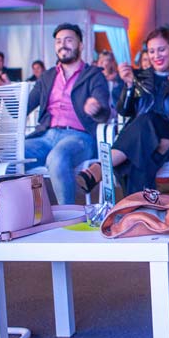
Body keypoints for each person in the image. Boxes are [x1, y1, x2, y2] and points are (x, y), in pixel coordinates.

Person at [75, 28, 169, 194]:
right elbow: (124, 111)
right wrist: (129, 86)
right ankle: (142, 212)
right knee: (141, 151)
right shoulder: (139, 77)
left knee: (147, 121)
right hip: (146, 141)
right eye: (152, 51)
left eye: (162, 50)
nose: (156, 56)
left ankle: (101, 167)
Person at [25, 24, 111, 205]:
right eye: (58, 41)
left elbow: (104, 109)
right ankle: (22, 216)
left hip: (79, 137)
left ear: (80, 45)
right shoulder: (47, 76)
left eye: (68, 40)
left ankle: (68, 216)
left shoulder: (93, 75)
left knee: (57, 158)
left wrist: (96, 106)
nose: (62, 45)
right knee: (11, 156)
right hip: (45, 136)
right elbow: (24, 106)